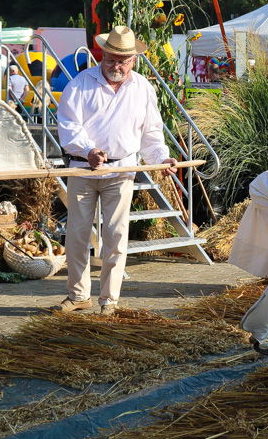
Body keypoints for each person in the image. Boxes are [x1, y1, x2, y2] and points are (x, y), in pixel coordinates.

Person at [54, 25, 178, 314]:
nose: (116, 66)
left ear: (134, 60)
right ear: (102, 54)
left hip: (122, 170)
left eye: (122, 61)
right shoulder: (80, 84)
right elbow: (69, 125)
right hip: (83, 170)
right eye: (110, 59)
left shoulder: (143, 89)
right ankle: (78, 295)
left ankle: (109, 301)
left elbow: (151, 133)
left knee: (116, 237)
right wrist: (89, 150)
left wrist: (162, 158)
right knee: (77, 236)